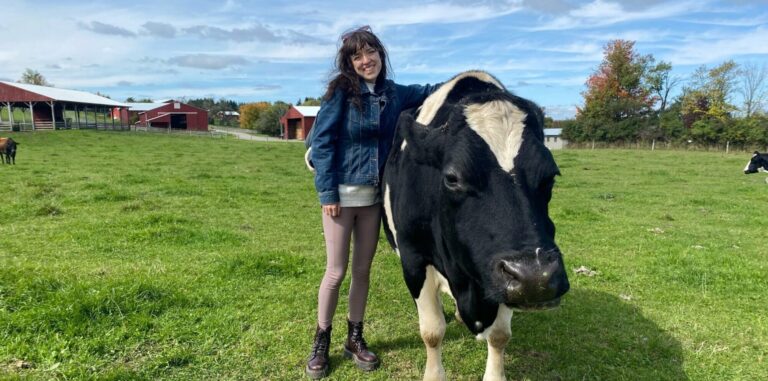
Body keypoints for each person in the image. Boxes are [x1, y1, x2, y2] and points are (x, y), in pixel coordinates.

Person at [305, 25, 441, 379]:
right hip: (341, 197)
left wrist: (469, 81)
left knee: (363, 272)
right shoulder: (340, 93)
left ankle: (355, 337)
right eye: (357, 55)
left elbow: (431, 91)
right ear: (349, 62)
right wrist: (327, 194)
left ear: (381, 54)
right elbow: (320, 143)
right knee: (335, 272)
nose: (366, 61)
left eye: (371, 53)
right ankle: (321, 341)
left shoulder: (395, 94)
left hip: (373, 200)